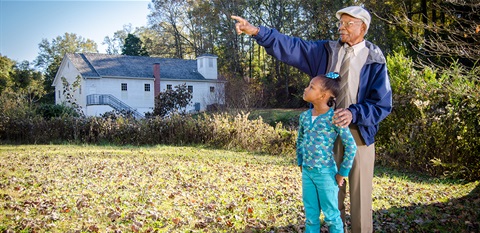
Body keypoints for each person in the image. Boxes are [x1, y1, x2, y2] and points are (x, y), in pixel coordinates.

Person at [232, 5, 392, 233]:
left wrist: (354, 113)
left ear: (363, 27)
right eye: (340, 23)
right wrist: (257, 31)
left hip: (358, 134)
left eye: (348, 24)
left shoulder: (375, 58)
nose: (341, 28)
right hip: (325, 134)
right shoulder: (326, 51)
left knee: (360, 199)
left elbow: (382, 104)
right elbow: (291, 46)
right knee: (330, 198)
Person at [297, 72, 357, 233]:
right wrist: (300, 162)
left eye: (311, 87)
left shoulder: (335, 118)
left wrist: (342, 173)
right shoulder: (304, 117)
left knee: (331, 217)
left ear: (323, 95)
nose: (306, 89)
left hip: (326, 174)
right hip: (307, 173)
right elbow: (300, 140)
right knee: (311, 217)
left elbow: (351, 146)